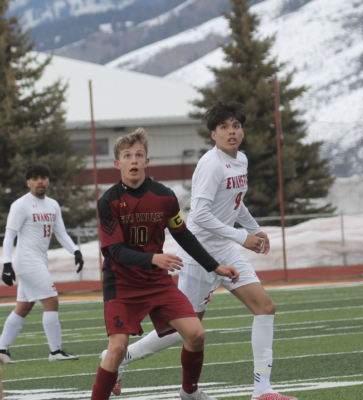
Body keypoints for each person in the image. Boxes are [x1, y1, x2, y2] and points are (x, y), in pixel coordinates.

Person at [102, 100, 298, 400]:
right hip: (199, 255)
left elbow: (235, 202)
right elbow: (201, 215)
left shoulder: (241, 160)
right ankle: (121, 358)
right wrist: (242, 237)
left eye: (236, 126)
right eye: (224, 127)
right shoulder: (211, 165)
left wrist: (254, 228)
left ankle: (262, 390)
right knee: (184, 332)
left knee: (265, 308)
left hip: (226, 251)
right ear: (213, 134)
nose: (231, 132)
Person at [91, 128, 239, 400]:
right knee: (117, 349)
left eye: (139, 155)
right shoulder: (108, 202)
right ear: (117, 163)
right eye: (127, 156)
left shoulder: (165, 197)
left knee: (196, 334)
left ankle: (189, 393)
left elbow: (183, 235)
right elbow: (114, 251)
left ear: (147, 161)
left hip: (157, 283)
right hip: (122, 285)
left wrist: (215, 266)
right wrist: (153, 259)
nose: (133, 160)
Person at [0, 164, 83, 364]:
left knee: (23, 307)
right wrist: (6, 264)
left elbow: (60, 233)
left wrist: (76, 251)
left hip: (39, 261)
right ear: (28, 182)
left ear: (48, 181)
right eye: (35, 178)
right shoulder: (21, 205)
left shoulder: (53, 205)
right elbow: (9, 235)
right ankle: (55, 352)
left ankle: (1, 350)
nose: (40, 181)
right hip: (27, 262)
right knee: (52, 301)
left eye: (43, 177)